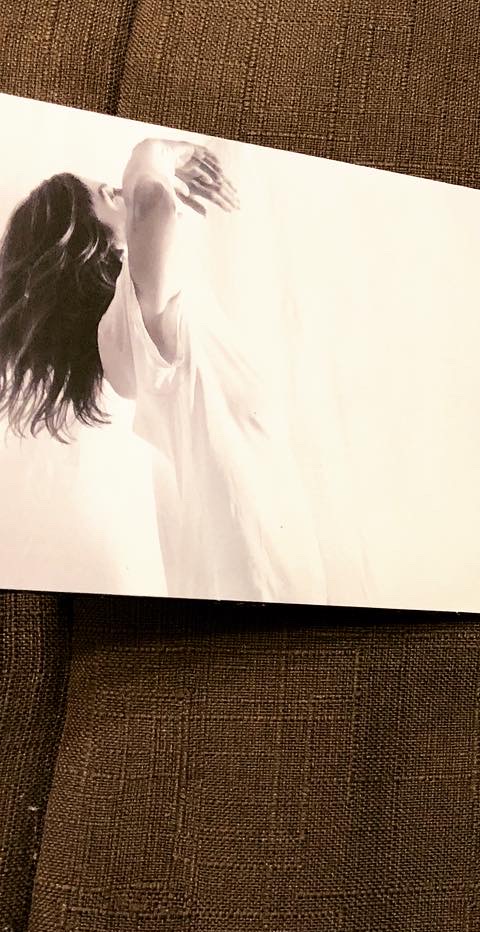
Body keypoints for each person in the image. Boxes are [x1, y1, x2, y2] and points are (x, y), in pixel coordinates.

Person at [0, 138, 326, 602]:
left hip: (256, 547)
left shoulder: (134, 329)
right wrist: (157, 151)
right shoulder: (133, 316)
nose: (128, 193)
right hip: (254, 554)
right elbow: (154, 205)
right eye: (114, 194)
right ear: (89, 237)